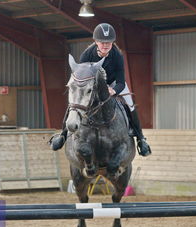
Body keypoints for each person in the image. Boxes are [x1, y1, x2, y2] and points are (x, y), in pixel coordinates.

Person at [49, 23, 151, 156]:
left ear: (113, 42)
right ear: (96, 41)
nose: (105, 45)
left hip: (114, 84)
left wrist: (113, 91)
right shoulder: (87, 54)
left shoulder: (117, 56)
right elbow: (82, 77)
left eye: (109, 42)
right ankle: (63, 135)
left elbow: (121, 81)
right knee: (75, 104)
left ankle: (140, 139)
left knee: (130, 104)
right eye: (102, 42)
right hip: (94, 86)